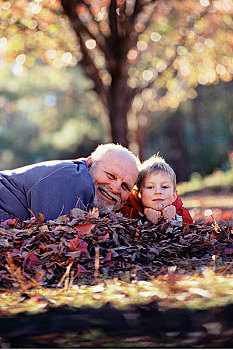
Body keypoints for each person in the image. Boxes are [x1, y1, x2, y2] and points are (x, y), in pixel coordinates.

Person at [0, 143, 139, 222]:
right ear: (90, 164)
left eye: (125, 186)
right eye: (110, 176)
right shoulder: (75, 178)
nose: (115, 188)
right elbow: (59, 241)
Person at [121, 155, 193, 225]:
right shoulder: (129, 211)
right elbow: (126, 233)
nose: (158, 192)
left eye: (164, 187)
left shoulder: (182, 213)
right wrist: (147, 221)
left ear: (174, 195)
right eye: (150, 187)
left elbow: (190, 234)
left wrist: (172, 221)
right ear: (138, 194)